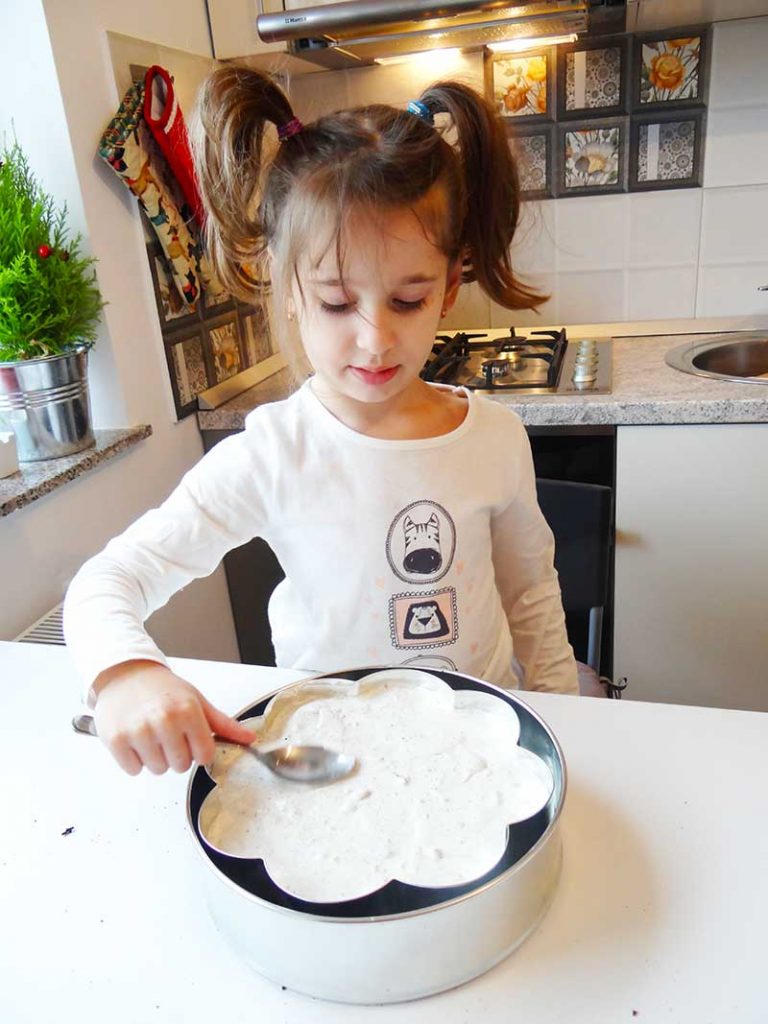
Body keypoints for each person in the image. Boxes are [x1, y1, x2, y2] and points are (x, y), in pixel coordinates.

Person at [64, 65, 578, 778]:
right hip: (333, 760)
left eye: (408, 300)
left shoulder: (493, 438)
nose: (374, 339)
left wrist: (570, 720)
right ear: (285, 282)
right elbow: (108, 579)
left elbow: (531, 594)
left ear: (449, 286)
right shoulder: (273, 454)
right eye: (337, 303)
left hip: (479, 750)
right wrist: (125, 672)